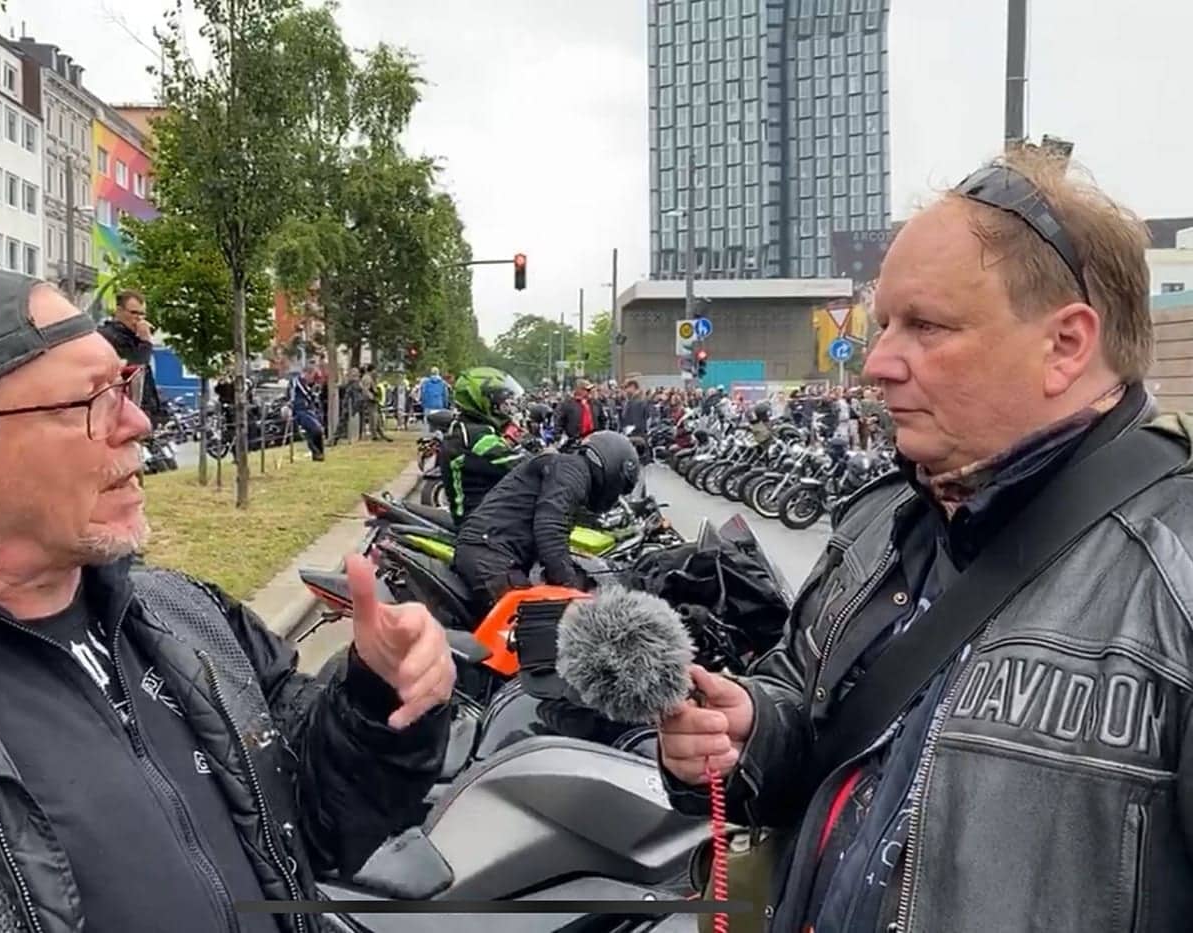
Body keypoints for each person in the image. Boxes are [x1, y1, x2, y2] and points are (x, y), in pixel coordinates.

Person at [0, 267, 455, 932]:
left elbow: (321, 825)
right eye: (88, 401)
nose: (137, 422)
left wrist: (378, 698)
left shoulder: (187, 616)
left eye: (123, 387)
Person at [658, 150, 1193, 932]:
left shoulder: (1175, 573)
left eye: (926, 326)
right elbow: (808, 723)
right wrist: (749, 731)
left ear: (1067, 345)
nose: (876, 364)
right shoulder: (879, 525)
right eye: (882, 327)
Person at [453, 431, 640, 611]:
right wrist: (571, 588)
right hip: (490, 557)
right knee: (532, 629)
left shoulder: (567, 470)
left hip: (489, 551)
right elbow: (551, 528)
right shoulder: (572, 470)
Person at [438, 367, 527, 526]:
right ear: (482, 401)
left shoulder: (471, 427)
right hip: (478, 525)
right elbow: (518, 465)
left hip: (487, 515)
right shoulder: (476, 435)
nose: (506, 407)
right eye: (500, 401)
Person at [98, 288, 164, 427]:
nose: (139, 318)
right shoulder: (109, 336)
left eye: (142, 314)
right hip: (121, 415)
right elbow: (135, 368)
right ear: (119, 311)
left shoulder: (134, 338)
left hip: (141, 414)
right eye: (134, 313)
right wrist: (145, 341)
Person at [288, 362, 326, 461]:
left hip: (310, 409)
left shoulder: (310, 384)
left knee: (317, 431)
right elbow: (302, 393)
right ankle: (317, 452)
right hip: (300, 410)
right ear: (306, 373)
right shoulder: (296, 381)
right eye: (312, 376)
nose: (312, 379)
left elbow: (313, 396)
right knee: (315, 429)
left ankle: (318, 454)